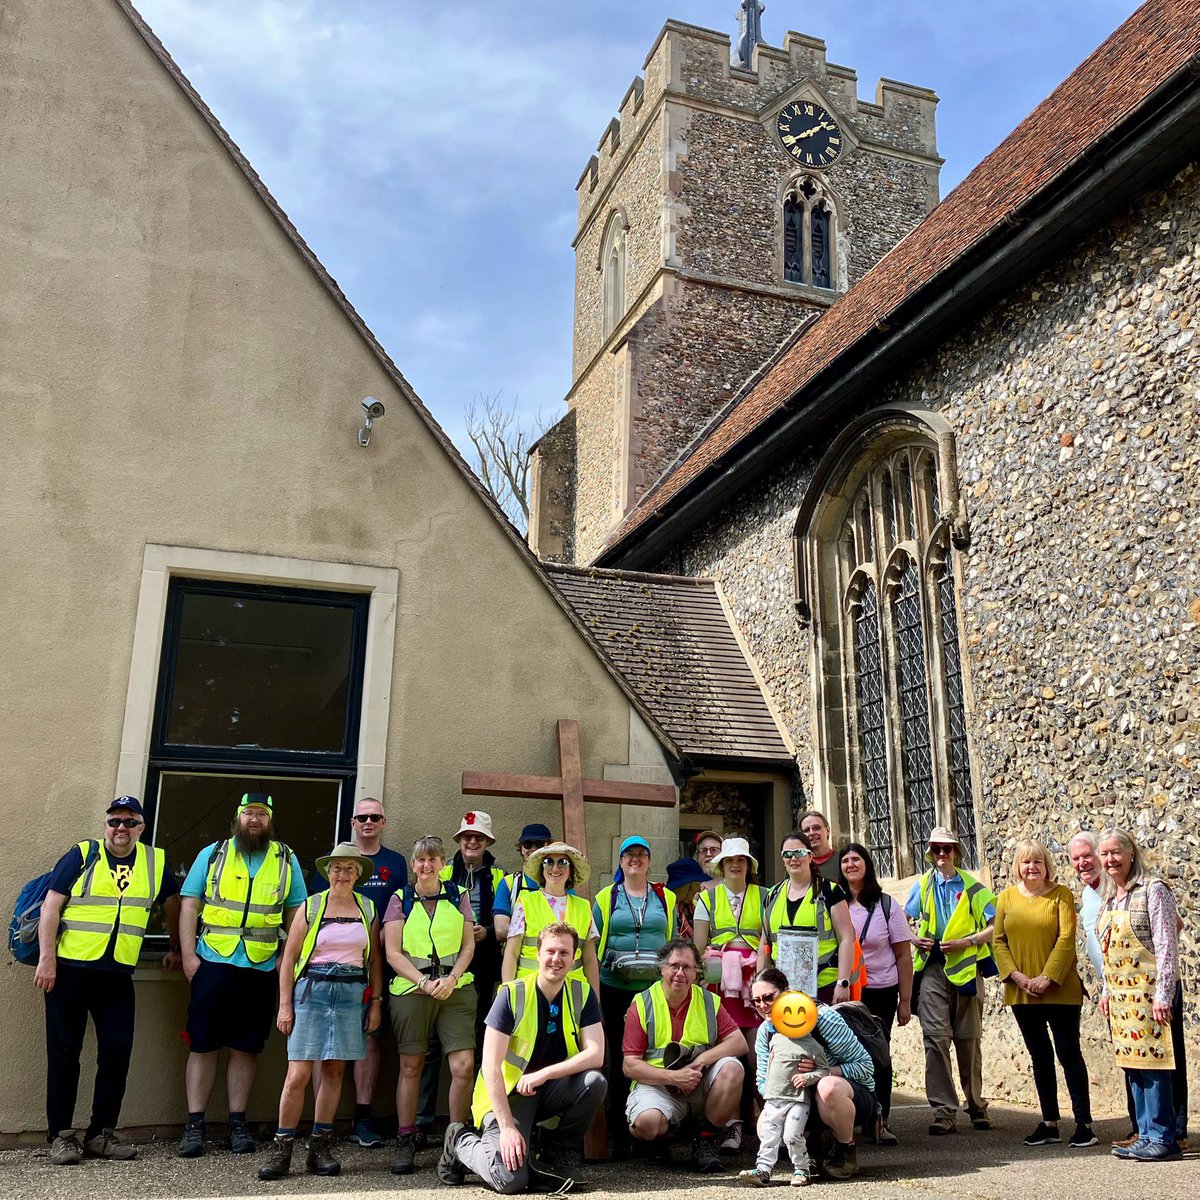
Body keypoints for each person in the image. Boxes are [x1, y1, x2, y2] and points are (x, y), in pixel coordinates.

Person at [35, 796, 180, 1165]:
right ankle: (61, 1136)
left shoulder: (154, 860)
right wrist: (47, 960)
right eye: (115, 821)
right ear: (106, 825)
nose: (121, 829)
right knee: (64, 1056)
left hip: (117, 975)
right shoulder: (83, 854)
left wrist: (177, 946)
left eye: (130, 823)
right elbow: (50, 906)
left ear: (141, 828)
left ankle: (101, 1133)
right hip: (69, 970)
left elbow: (173, 902)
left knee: (116, 1054)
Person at [177, 793, 306, 1157]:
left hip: (262, 966)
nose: (255, 820)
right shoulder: (213, 853)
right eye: (249, 813)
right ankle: (194, 1125)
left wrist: (287, 957)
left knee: (247, 1048)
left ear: (270, 821)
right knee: (202, 1045)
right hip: (213, 963)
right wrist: (188, 956)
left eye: (262, 815)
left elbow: (297, 912)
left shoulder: (285, 859)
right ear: (237, 818)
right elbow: (189, 905)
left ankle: (237, 1123)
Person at [439, 923, 607, 1194]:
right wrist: (506, 1128)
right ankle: (460, 1141)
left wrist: (544, 1074)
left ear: (575, 957)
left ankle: (556, 1156)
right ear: (538, 954)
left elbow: (596, 1054)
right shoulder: (511, 994)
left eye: (564, 952)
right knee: (510, 1180)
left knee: (594, 1082)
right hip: (508, 1095)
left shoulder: (582, 992)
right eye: (550, 951)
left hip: (548, 1088)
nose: (556, 959)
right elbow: (491, 1066)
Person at [259, 843, 383, 1181]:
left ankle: (320, 1147)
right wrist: (285, 1005)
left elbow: (374, 961)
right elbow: (288, 959)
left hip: (351, 994)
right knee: (297, 1074)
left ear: (358, 874)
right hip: (311, 992)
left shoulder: (368, 907)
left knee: (333, 1072)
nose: (342, 874)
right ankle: (282, 1148)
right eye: (337, 868)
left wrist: (376, 1002)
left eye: (349, 869)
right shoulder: (311, 906)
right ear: (328, 872)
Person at [315, 796, 407, 1149]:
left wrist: (388, 932)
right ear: (352, 822)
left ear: (383, 822)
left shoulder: (395, 863)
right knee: (324, 1042)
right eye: (362, 817)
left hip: (381, 961)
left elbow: (404, 904)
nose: (368, 822)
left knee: (371, 1036)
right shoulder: (339, 861)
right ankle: (321, 1125)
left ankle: (363, 1118)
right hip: (333, 965)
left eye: (375, 817)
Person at [992, 839, 1095, 1149]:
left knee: (1069, 1055)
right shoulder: (1007, 898)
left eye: (1037, 861)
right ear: (1018, 867)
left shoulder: (1061, 895)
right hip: (1023, 993)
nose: (1031, 867)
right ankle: (1050, 1122)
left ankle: (1084, 1124)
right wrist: (1020, 978)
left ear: (1047, 865)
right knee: (1040, 1057)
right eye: (1025, 862)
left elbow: (1066, 938)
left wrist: (1047, 977)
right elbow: (998, 941)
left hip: (1060, 991)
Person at [384, 835, 477, 1175]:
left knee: (463, 1066)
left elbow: (468, 946)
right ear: (413, 866)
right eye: (420, 860)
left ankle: (458, 1142)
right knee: (411, 1066)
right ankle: (407, 1137)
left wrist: (451, 979)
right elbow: (393, 951)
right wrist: (422, 982)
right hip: (411, 989)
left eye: (432, 859)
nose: (426, 865)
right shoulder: (400, 899)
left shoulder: (459, 896)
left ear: (442, 864)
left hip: (457, 988)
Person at [1097, 827, 1186, 1161]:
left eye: (1115, 852)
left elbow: (1166, 945)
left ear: (1130, 853)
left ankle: (1164, 1138)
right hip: (1122, 997)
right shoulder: (1110, 899)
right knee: (1134, 1066)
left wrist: (1164, 994)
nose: (1110, 860)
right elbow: (1108, 953)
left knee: (1156, 1064)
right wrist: (1106, 991)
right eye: (1104, 854)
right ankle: (1146, 1133)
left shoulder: (1153, 889)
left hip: (1150, 994)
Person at [419, 810, 506, 1143]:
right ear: (459, 841)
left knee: (480, 1049)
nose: (472, 842)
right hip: (438, 971)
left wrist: (483, 932)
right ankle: (422, 1122)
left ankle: (477, 1119)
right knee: (428, 1050)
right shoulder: (441, 870)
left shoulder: (500, 877)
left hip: (482, 974)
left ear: (487, 843)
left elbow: (504, 918)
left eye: (479, 838)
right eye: (467, 837)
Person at [623, 938, 747, 1173]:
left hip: (700, 1082)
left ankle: (706, 1141)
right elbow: (630, 1067)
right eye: (674, 966)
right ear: (662, 968)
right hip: (659, 1084)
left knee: (733, 1068)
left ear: (696, 972)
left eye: (687, 967)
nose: (680, 973)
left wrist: (702, 1060)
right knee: (646, 1125)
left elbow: (739, 1043)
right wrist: (674, 1078)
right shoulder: (641, 1003)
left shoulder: (709, 1001)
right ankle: (661, 1140)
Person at [904, 826, 996, 1136]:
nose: (942, 854)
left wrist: (967, 942)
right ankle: (944, 1112)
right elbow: (900, 920)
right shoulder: (922, 885)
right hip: (932, 968)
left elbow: (995, 926)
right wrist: (915, 940)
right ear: (930, 852)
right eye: (937, 849)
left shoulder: (973, 887)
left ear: (957, 851)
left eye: (948, 849)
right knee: (936, 1039)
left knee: (968, 1040)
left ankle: (976, 1106)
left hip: (967, 970)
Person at [593, 835, 677, 1158]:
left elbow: (671, 941)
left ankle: (653, 1135)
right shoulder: (606, 898)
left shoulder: (664, 897)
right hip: (614, 989)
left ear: (649, 861)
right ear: (620, 861)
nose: (635, 859)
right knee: (617, 1060)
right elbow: (593, 945)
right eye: (629, 854)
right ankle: (620, 1135)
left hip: (652, 991)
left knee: (653, 1057)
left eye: (641, 854)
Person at [748, 969, 875, 1181]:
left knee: (828, 1087)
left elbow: (865, 1066)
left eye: (769, 997)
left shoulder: (822, 1018)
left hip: (847, 1096)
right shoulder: (765, 1032)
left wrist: (822, 1072)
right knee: (765, 1127)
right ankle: (810, 1150)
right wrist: (776, 1072)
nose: (763, 1005)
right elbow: (762, 1084)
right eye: (756, 1001)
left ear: (786, 992)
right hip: (797, 1099)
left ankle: (846, 1150)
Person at [693, 836, 765, 1154]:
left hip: (756, 985)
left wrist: (762, 976)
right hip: (720, 986)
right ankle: (731, 1129)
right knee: (728, 1057)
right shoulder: (706, 899)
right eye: (729, 860)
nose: (735, 864)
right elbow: (697, 947)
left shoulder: (765, 896)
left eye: (741, 859)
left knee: (758, 1054)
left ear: (749, 865)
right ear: (721, 866)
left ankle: (769, 1119)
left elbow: (768, 937)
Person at [837, 842, 912, 1144]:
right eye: (845, 860)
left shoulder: (886, 905)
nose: (851, 864)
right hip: (848, 991)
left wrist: (905, 1000)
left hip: (881, 990)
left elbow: (903, 955)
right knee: (843, 1053)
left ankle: (881, 1119)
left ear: (867, 865)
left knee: (878, 1055)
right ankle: (851, 1115)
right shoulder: (834, 902)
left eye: (856, 859)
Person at [1069, 830, 1140, 1147]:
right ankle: (1139, 1126)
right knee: (1129, 1059)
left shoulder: (1121, 890)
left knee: (1156, 1060)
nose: (1083, 863)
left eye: (1087, 855)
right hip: (1113, 988)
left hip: (1139, 986)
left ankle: (1172, 1131)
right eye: (1076, 858)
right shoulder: (1087, 895)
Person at [739, 989, 828, 1187]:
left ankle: (802, 1169)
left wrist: (808, 1077)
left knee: (791, 1135)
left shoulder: (813, 1046)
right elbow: (767, 1067)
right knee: (769, 1135)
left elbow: (825, 1070)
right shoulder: (775, 1039)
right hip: (773, 1099)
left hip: (797, 1100)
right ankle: (763, 1169)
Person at [757, 830, 856, 1005]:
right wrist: (761, 987)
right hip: (784, 991)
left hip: (825, 986)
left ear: (810, 857)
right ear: (783, 859)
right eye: (788, 854)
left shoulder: (830, 891)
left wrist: (843, 982)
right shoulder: (772, 895)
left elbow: (846, 938)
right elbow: (765, 944)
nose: (793, 858)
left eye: (799, 853)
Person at [502, 842, 600, 995]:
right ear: (542, 868)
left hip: (573, 992)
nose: (555, 868)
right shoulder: (525, 902)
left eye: (563, 863)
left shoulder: (584, 907)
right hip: (530, 990)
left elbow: (590, 960)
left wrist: (595, 1001)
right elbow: (511, 953)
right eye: (549, 862)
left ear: (571, 871)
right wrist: (506, 994)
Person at [493, 823, 552, 943]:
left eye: (539, 844)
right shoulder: (509, 883)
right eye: (528, 844)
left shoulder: (562, 883)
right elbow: (501, 931)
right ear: (521, 848)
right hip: (516, 959)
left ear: (550, 847)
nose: (534, 849)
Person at [665, 854, 710, 942]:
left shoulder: (695, 907)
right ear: (685, 886)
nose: (698, 889)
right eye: (696, 884)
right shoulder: (665, 907)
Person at [799, 812, 840, 884]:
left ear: (827, 831)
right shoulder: (797, 864)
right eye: (806, 830)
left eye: (816, 828)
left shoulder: (842, 861)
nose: (811, 833)